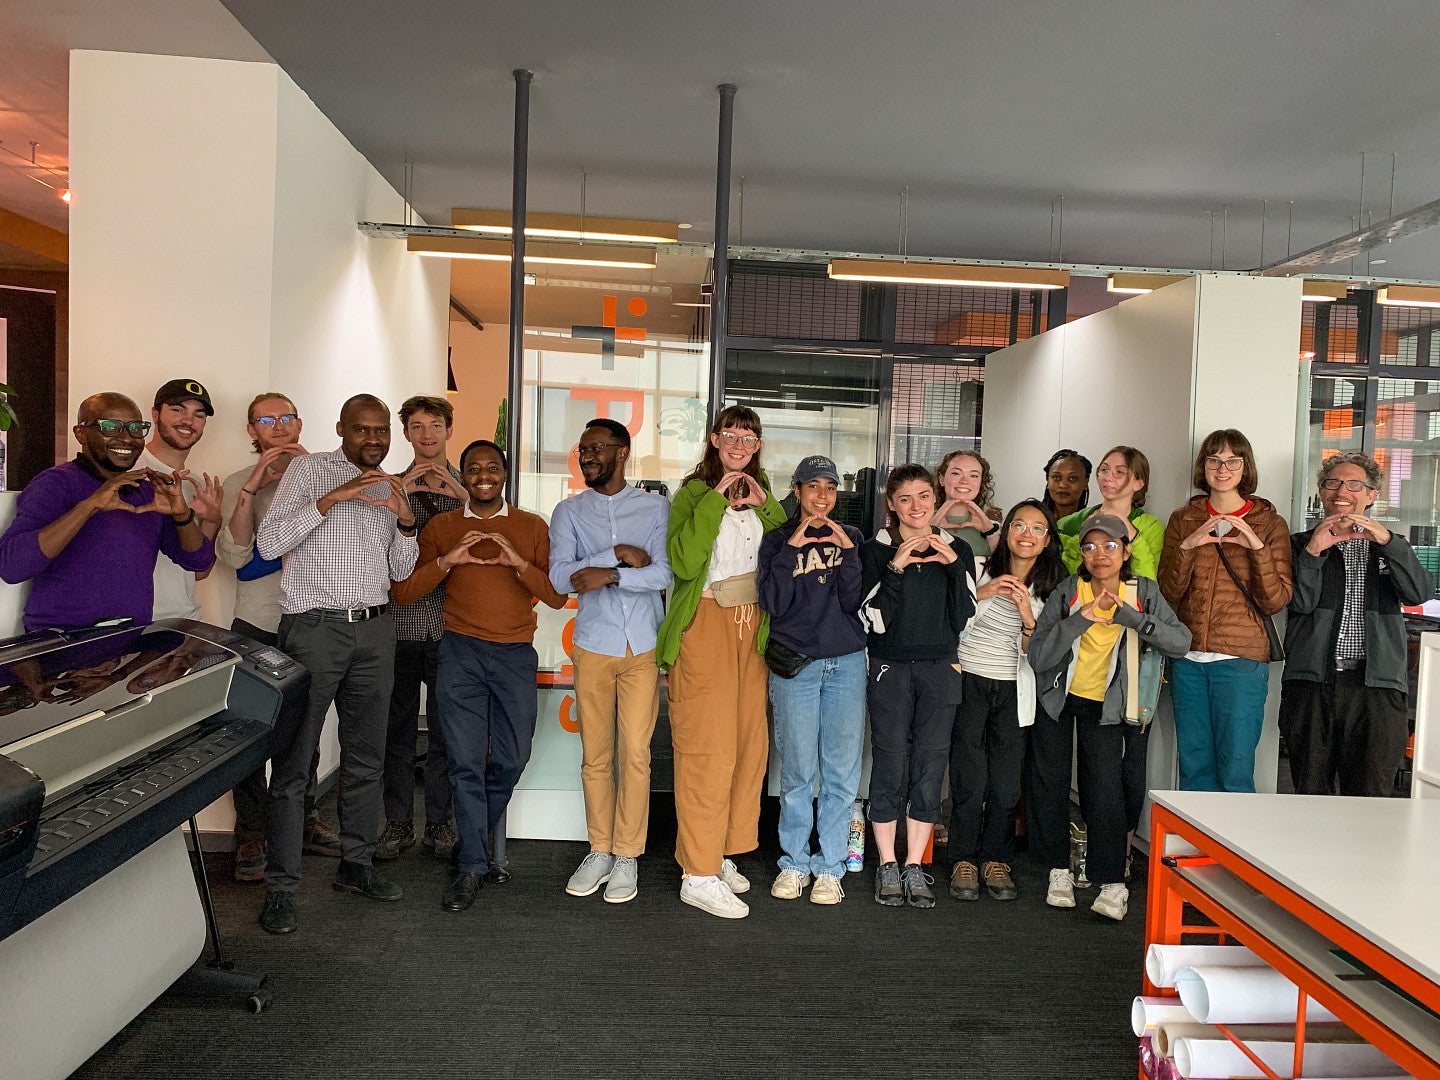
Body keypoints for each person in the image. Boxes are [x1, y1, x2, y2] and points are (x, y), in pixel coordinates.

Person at [254, 394, 420, 935]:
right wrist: (335, 497)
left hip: (375, 627)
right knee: (295, 762)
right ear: (342, 430)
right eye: (362, 430)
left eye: (380, 431)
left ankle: (357, 865)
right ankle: (281, 888)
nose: (373, 440)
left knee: (366, 756)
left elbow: (400, 569)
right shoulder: (308, 471)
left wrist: (405, 521)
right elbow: (270, 541)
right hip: (314, 629)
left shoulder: (392, 483)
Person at [392, 439, 567, 913]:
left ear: (505, 474)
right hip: (460, 653)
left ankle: (473, 839)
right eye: (473, 469)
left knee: (512, 758)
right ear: (462, 477)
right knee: (465, 763)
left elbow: (554, 595)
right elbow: (404, 591)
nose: (483, 475)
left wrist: (518, 564)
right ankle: (471, 864)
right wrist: (449, 561)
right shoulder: (444, 526)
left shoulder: (531, 525)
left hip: (513, 654)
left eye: (492, 467)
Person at [656, 405, 786, 920]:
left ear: (758, 446)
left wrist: (765, 504)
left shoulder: (763, 494)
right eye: (731, 434)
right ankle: (698, 872)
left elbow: (786, 549)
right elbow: (685, 562)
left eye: (749, 438)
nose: (739, 443)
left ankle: (723, 851)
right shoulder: (690, 494)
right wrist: (715, 499)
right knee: (706, 748)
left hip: (753, 628)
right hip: (706, 623)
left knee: (748, 747)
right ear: (714, 439)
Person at [1027, 514, 1191, 921]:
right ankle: (1058, 871)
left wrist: (1132, 618)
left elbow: (1180, 642)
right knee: (1050, 784)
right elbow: (1039, 656)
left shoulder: (1143, 592)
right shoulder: (1068, 591)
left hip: (1111, 706)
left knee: (1105, 791)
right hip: (1060, 700)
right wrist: (1080, 619)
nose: (1100, 555)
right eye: (1090, 547)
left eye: (1110, 546)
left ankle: (1111, 881)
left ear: (1127, 550)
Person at [549, 419, 672, 905]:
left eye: (597, 448)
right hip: (594, 645)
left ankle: (628, 855)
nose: (587, 457)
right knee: (596, 757)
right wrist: (615, 555)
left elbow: (663, 571)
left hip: (642, 645)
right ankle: (599, 847)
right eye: (583, 449)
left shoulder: (655, 507)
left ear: (623, 452)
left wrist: (610, 576)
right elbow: (562, 579)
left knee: (637, 756)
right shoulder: (568, 512)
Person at [217, 392, 339, 882]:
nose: (279, 427)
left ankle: (303, 820)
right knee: (247, 729)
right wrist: (251, 490)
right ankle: (252, 832)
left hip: (312, 620)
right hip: (259, 619)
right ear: (253, 431)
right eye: (267, 420)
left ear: (301, 422)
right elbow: (235, 557)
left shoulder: (332, 474)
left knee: (303, 731)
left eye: (287, 417)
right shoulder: (234, 484)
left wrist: (315, 481)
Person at [1279, 452, 1434, 797]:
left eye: (1353, 484)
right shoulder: (1298, 545)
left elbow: (1417, 593)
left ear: (1371, 495)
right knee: (1310, 789)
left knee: (1370, 794)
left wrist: (1389, 544)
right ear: (1321, 492)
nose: (1341, 492)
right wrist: (1314, 554)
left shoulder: (1390, 546)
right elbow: (1300, 603)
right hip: (1312, 683)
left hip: (1376, 686)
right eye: (1332, 483)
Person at [860, 464, 975, 909]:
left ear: (935, 499)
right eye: (905, 498)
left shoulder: (957, 549)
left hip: (941, 668)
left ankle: (914, 864)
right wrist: (896, 566)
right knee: (890, 760)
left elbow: (963, 615)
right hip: (890, 666)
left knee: (931, 763)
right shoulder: (874, 551)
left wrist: (948, 564)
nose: (915, 506)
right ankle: (887, 862)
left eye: (924, 496)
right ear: (891, 504)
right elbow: (873, 618)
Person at [0, 392, 214, 631]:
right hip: (62, 642)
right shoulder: (55, 484)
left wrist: (181, 513)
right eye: (110, 427)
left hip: (126, 640)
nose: (127, 438)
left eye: (136, 427)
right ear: (80, 432)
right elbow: (13, 567)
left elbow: (199, 561)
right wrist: (89, 506)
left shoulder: (147, 491)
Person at [758, 455, 866, 906]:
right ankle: (795, 861)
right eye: (812, 487)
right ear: (797, 491)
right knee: (800, 769)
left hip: (845, 662)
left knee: (841, 770)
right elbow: (774, 604)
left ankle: (830, 866)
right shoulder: (776, 539)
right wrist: (791, 550)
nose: (821, 496)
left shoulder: (852, 537)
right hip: (796, 664)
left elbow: (852, 601)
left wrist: (849, 554)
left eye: (829, 487)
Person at [1159, 430, 1293, 792]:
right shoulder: (1183, 519)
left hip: (1241, 661)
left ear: (1245, 467)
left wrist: (1256, 546)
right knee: (1193, 764)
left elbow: (1276, 600)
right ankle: (1192, 849)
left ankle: (1229, 850)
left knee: (1235, 768)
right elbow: (1169, 591)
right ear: (1203, 466)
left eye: (1233, 460)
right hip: (1188, 657)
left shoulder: (1269, 523)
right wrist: (1188, 545)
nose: (1223, 468)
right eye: (1214, 460)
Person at [947, 498, 1066, 904]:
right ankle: (963, 858)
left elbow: (1045, 654)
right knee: (969, 775)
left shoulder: (1054, 589)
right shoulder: (979, 569)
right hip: (970, 680)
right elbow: (952, 620)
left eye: (1036, 528)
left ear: (1048, 539)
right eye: (1018, 525)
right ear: (1006, 531)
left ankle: (996, 858)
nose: (1026, 534)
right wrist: (984, 592)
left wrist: (1026, 614)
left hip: (1015, 688)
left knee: (1004, 781)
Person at [377, 396, 468, 864]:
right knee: (396, 729)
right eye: (417, 426)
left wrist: (462, 497)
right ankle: (396, 821)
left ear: (449, 430)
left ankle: (439, 821)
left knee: (446, 730)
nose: (427, 434)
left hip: (451, 625)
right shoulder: (389, 484)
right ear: (407, 434)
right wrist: (400, 493)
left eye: (435, 425)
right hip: (398, 626)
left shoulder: (469, 485)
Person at [140, 379, 224, 620]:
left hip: (184, 620)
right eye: (177, 410)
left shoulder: (194, 484)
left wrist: (211, 521)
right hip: (133, 624)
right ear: (155, 414)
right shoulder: (129, 471)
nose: (188, 421)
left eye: (198, 415)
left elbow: (199, 572)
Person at [1057, 446, 1164, 579]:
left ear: (1139, 483)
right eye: (1104, 470)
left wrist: (1133, 536)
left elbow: (1148, 583)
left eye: (1119, 472)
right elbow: (1063, 577)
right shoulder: (1068, 524)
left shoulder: (1151, 527)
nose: (1108, 477)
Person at [932, 450, 1002, 557]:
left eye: (973, 475)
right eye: (956, 473)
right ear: (942, 479)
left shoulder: (994, 528)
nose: (964, 481)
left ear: (981, 483)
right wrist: (930, 529)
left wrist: (990, 532)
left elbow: (1005, 566)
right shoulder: (918, 523)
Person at [1041, 449, 1092, 521]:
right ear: (1048, 480)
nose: (1063, 485)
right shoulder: (1034, 520)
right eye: (1056, 477)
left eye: (1072, 478)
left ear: (1085, 482)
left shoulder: (1092, 524)